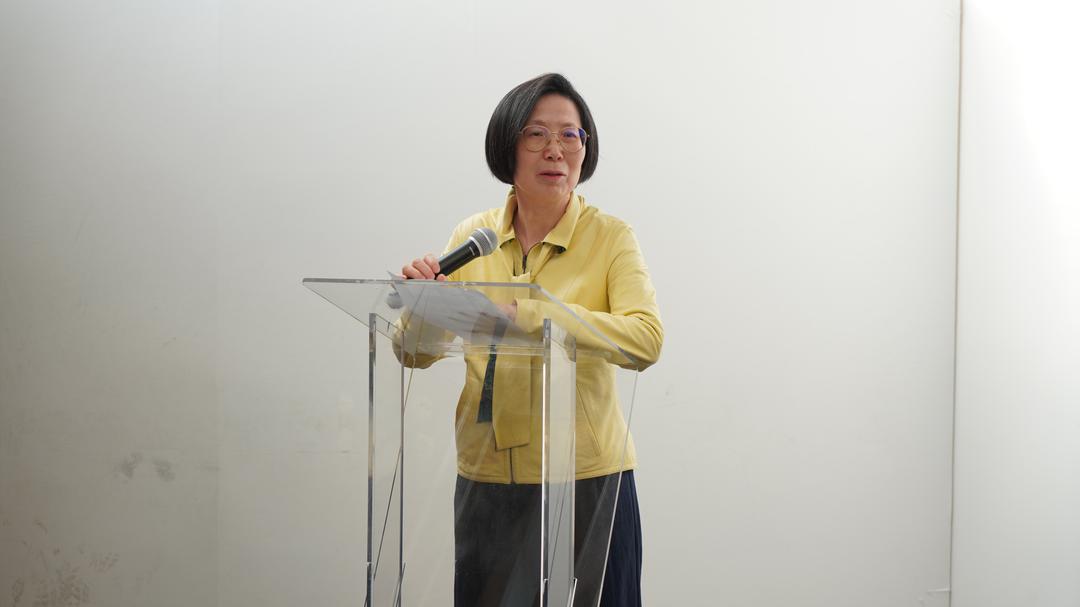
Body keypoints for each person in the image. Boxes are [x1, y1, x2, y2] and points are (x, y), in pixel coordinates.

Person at [401, 73, 663, 607]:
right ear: (508, 145)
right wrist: (425, 302)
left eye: (571, 135)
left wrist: (534, 314)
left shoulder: (611, 237)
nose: (556, 150)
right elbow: (413, 352)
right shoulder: (473, 237)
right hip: (488, 477)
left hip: (587, 478)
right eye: (537, 134)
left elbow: (645, 338)